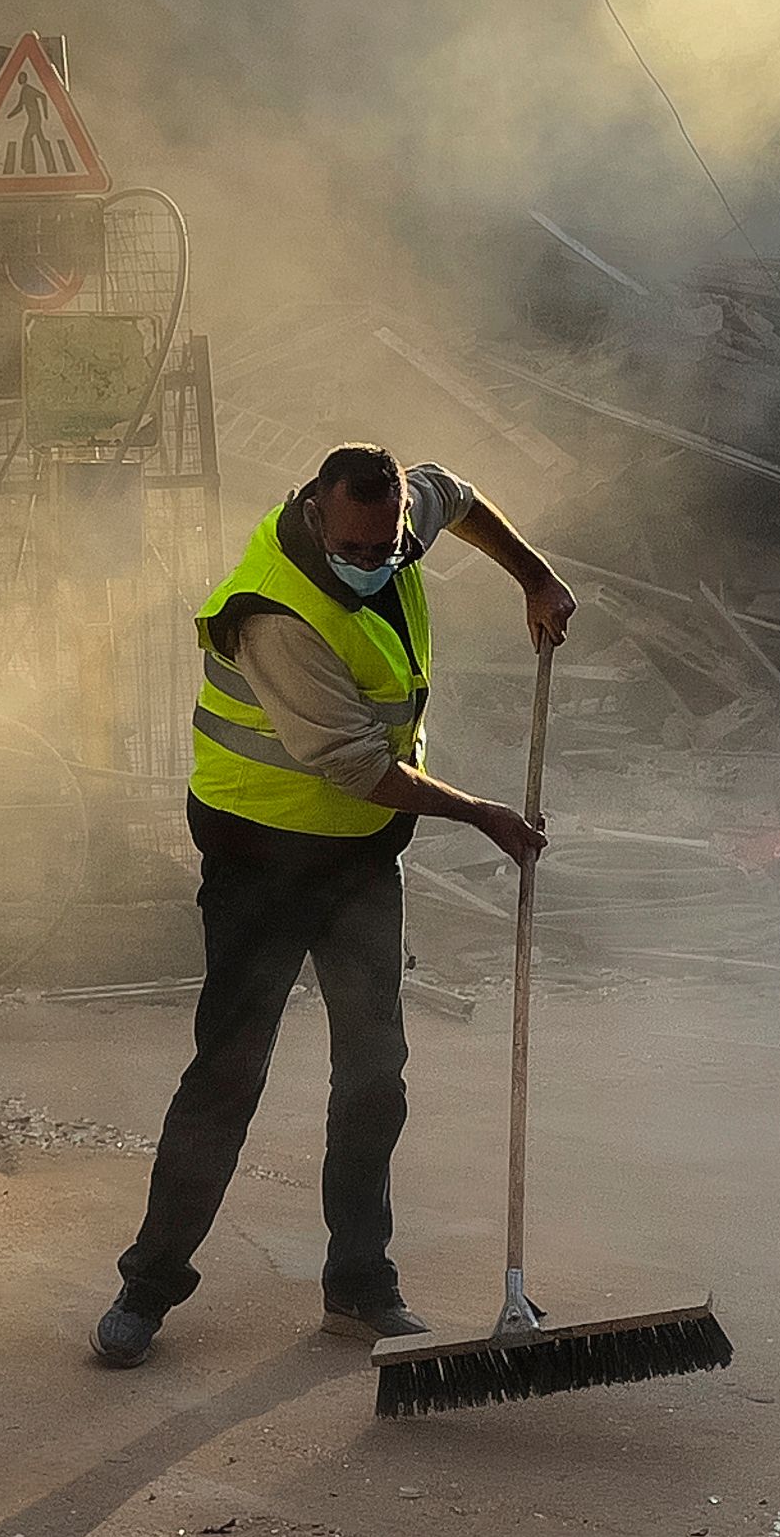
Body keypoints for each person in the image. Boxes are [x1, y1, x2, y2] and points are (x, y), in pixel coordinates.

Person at [93, 444, 575, 1368]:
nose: (375, 557)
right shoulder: (274, 610)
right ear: (317, 515)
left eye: (388, 541)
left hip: (357, 857)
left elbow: (459, 493)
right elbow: (354, 764)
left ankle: (358, 1284)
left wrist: (538, 578)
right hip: (258, 859)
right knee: (229, 1073)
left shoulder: (396, 524)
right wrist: (481, 814)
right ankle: (147, 1286)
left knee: (374, 1071)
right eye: (356, 543)